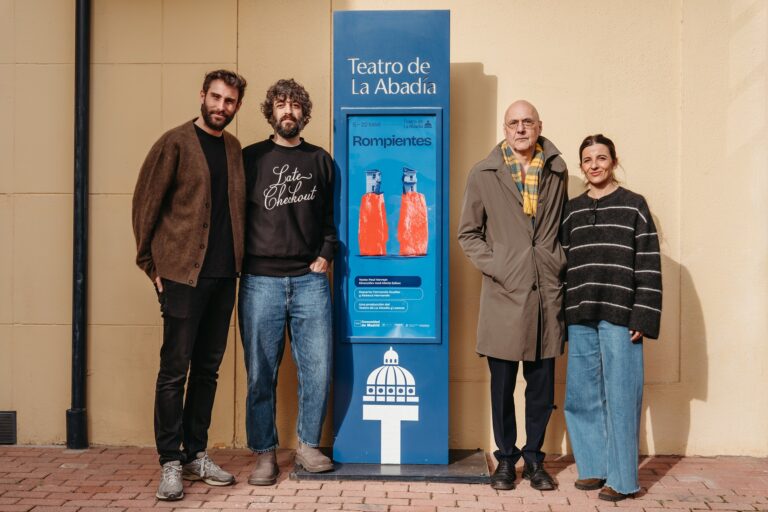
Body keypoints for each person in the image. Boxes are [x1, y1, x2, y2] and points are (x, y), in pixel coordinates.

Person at [132, 69, 247, 501]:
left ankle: (195, 452)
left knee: (208, 370)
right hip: (181, 276)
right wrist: (149, 263)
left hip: (223, 277)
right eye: (215, 98)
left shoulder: (234, 149)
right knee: (173, 370)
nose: (221, 107)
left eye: (229, 101)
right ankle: (170, 461)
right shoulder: (175, 143)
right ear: (202, 96)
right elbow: (145, 203)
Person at [458, 100, 568, 491]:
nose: (520, 129)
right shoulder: (484, 173)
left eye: (527, 122)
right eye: (513, 123)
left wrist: (556, 262)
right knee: (502, 388)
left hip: (546, 296)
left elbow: (562, 229)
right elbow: (468, 234)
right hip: (504, 296)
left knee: (540, 388)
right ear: (504, 129)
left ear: (539, 126)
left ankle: (536, 460)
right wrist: (503, 266)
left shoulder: (557, 169)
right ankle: (506, 460)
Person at [239, 79, 337, 485]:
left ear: (304, 113)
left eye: (295, 105)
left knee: (317, 369)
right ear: (271, 112)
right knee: (261, 372)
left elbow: (333, 217)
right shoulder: (250, 159)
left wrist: (325, 255)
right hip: (260, 280)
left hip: (309, 280)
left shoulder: (320, 160)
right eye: (281, 105)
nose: (288, 112)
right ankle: (265, 454)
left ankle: (308, 445)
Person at [561, 134, 662, 502]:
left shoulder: (635, 205)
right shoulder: (572, 210)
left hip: (621, 314)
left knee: (622, 395)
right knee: (581, 395)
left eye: (601, 158)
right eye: (587, 159)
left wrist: (644, 315)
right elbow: (565, 263)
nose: (594, 165)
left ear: (614, 161)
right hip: (580, 312)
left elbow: (648, 264)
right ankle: (593, 468)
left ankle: (623, 479)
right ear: (582, 165)